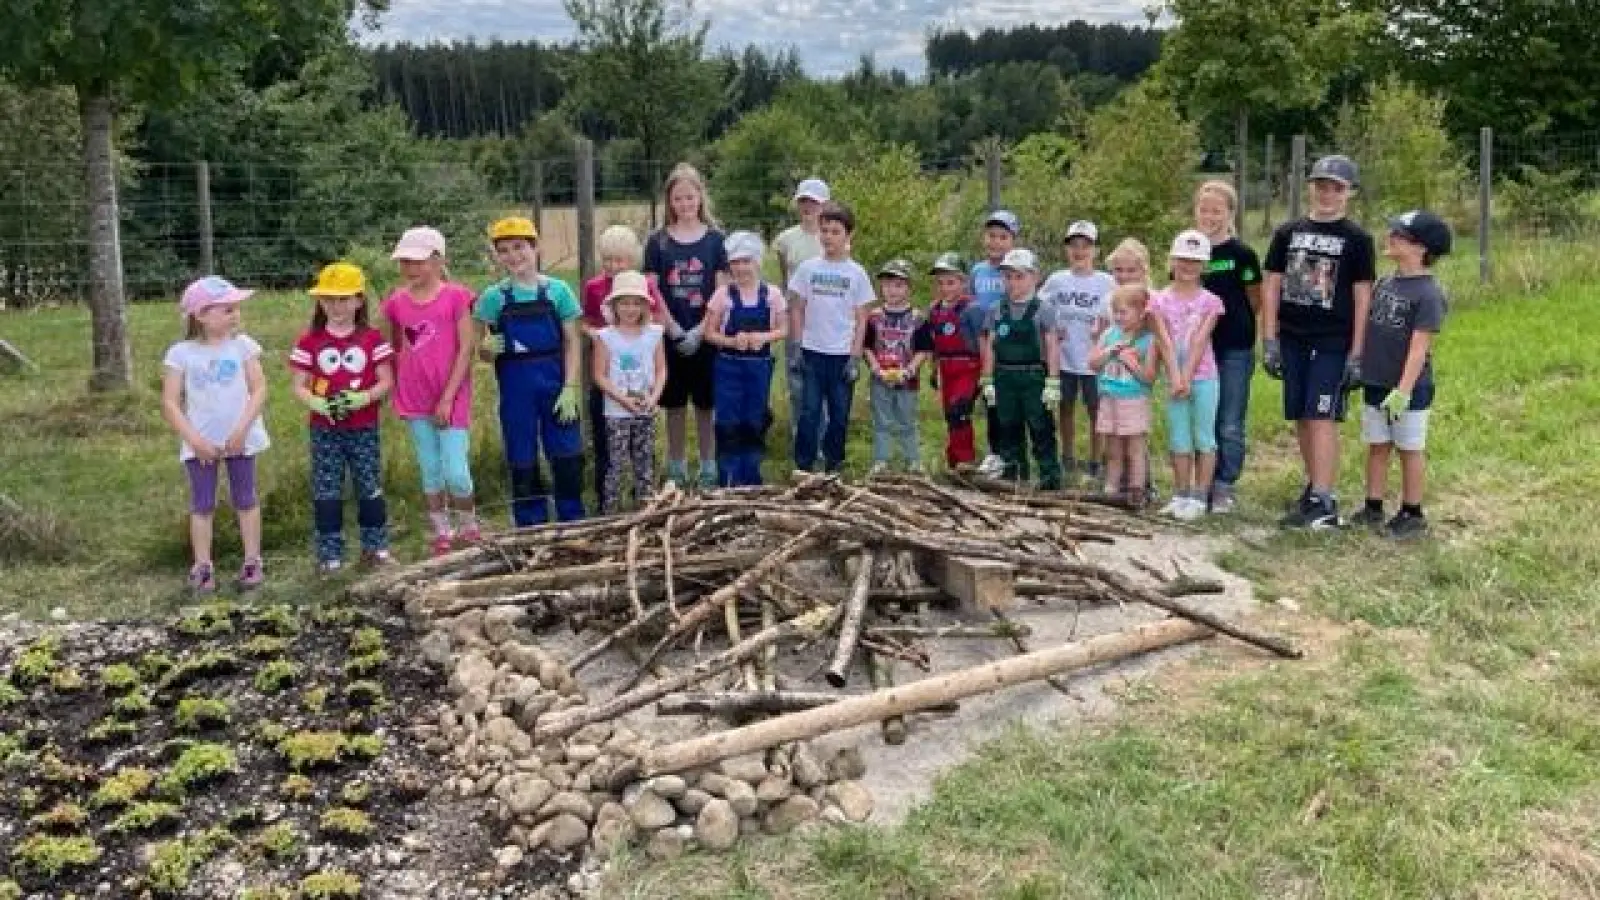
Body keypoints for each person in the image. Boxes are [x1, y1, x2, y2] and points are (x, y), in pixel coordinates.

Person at [1262, 154, 1377, 529]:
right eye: (1321, 186)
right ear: (1310, 187)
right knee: (1300, 415)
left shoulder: (1357, 239)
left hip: (1333, 339)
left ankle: (1325, 501)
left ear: (1349, 193)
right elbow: (1273, 284)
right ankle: (1313, 488)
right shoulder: (1287, 233)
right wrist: (1269, 338)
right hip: (1292, 336)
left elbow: (1363, 296)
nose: (1328, 194)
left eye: (1336, 188)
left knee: (1321, 415)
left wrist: (1357, 352)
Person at [160, 276, 270, 594]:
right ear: (201, 315)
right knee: (202, 503)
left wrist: (242, 429)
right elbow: (170, 402)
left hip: (241, 439)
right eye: (227, 309)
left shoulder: (244, 347)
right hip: (201, 442)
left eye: (235, 309)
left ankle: (252, 559)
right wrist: (194, 441)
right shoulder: (181, 354)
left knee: (246, 498)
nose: (235, 314)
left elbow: (259, 388)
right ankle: (203, 564)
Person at [475, 216, 585, 527]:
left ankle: (571, 517)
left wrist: (570, 387)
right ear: (496, 256)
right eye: (504, 250)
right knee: (521, 455)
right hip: (515, 391)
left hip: (555, 385)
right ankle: (529, 522)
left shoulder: (558, 291)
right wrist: (486, 348)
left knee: (567, 454)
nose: (513, 256)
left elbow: (572, 341)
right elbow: (481, 352)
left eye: (520, 247)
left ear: (535, 248)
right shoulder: (492, 298)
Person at [1351, 210, 1452, 539]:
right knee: (1377, 444)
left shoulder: (1428, 293)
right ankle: (1373, 506)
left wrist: (1404, 390)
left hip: (1408, 388)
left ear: (1421, 249)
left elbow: (1419, 347)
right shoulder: (1386, 282)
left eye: (1400, 236)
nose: (1390, 237)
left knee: (1409, 447)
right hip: (1376, 381)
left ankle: (1412, 512)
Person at [289, 262, 394, 574]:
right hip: (325, 429)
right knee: (326, 489)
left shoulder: (372, 339)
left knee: (369, 484)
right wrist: (318, 404)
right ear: (320, 302)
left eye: (344, 299)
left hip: (363, 426)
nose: (336, 306)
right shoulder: (310, 341)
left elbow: (386, 380)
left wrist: (365, 397)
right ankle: (329, 555)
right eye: (329, 299)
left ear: (359, 300)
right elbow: (297, 386)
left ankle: (375, 549)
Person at [381, 226, 480, 556]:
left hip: (450, 394)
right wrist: (391, 387)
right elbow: (395, 347)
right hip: (414, 397)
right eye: (405, 262)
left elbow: (467, 347)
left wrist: (449, 396)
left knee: (456, 469)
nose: (411, 268)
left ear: (439, 261)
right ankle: (442, 531)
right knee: (430, 468)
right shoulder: (396, 303)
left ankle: (469, 525)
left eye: (418, 261)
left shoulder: (456, 297)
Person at [644, 163, 729, 489]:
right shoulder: (658, 242)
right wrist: (674, 329)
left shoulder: (716, 241)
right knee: (675, 405)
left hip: (706, 334)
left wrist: (701, 329)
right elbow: (651, 290)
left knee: (706, 405)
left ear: (700, 198)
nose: (684, 204)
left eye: (689, 197)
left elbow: (722, 290)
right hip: (671, 335)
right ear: (669, 201)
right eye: (678, 199)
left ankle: (708, 465)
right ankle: (676, 465)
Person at [582, 224, 666, 502]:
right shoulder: (594, 287)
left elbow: (656, 323)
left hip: (642, 389)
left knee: (643, 452)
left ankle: (644, 499)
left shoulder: (645, 286)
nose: (612, 266)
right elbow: (585, 321)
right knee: (609, 450)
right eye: (607, 260)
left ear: (631, 259)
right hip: (610, 378)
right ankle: (606, 500)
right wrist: (597, 336)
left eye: (618, 260)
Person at [789, 202, 874, 474]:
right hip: (812, 353)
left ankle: (833, 465)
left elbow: (862, 319)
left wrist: (855, 356)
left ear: (848, 236)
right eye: (824, 230)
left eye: (835, 231)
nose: (828, 237)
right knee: (809, 412)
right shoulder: (808, 269)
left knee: (839, 415)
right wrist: (797, 346)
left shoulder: (856, 273)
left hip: (841, 356)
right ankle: (803, 465)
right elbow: (797, 308)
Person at [1194, 180, 1263, 513]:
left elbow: (1254, 298)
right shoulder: (1190, 252)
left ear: (1230, 213)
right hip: (1197, 348)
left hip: (1234, 346)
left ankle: (1225, 484)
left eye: (1216, 210)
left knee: (1230, 420)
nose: (1209, 216)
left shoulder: (1242, 255)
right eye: (1204, 209)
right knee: (1202, 416)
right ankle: (1200, 481)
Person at [1150, 231, 1225, 521]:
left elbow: (1199, 341)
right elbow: (1163, 340)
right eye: (1183, 259)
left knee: (1203, 437)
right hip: (1174, 376)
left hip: (1203, 376)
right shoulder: (1157, 300)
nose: (1188, 266)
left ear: (1204, 265)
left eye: (1195, 261)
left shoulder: (1211, 302)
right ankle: (1180, 493)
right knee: (1179, 437)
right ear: (1172, 260)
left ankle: (1199, 494)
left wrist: (1187, 375)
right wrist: (1175, 377)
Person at [703, 231, 788, 486]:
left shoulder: (771, 294)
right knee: (728, 423)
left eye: (746, 261)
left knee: (754, 421)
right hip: (728, 367)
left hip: (759, 368)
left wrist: (764, 337)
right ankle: (728, 479)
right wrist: (731, 341)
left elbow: (784, 329)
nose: (741, 268)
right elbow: (709, 333)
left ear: (757, 262)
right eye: (735, 262)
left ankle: (751, 478)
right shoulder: (723, 295)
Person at [978, 248, 1063, 490]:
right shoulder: (997, 309)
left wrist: (1053, 381)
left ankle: (1049, 477)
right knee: (1008, 426)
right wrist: (987, 379)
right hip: (1004, 376)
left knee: (1040, 427)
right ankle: (1015, 476)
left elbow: (1052, 345)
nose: (1013, 282)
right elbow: (991, 346)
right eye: (1008, 276)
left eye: (1019, 276)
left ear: (1034, 277)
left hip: (1033, 375)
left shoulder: (1043, 310)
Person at [1040, 220, 1114, 482]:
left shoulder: (1106, 282)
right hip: (1064, 358)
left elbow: (1121, 312)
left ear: (1095, 250)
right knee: (1066, 408)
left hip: (1095, 360)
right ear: (1067, 250)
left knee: (1097, 411)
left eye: (1085, 246)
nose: (1079, 251)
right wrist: (1051, 328)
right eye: (1074, 246)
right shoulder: (1058, 280)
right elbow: (1040, 307)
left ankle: (1096, 460)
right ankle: (1068, 456)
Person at [592, 271, 668, 513]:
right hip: (617, 412)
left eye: (636, 303)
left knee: (644, 463)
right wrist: (623, 400)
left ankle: (646, 510)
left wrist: (654, 398)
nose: (630, 309)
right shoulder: (606, 337)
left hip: (645, 408)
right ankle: (610, 513)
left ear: (645, 306)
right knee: (616, 465)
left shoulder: (654, 334)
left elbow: (661, 369)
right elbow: (599, 375)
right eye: (624, 303)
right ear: (614, 305)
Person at [1091, 285, 1160, 506]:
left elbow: (1149, 378)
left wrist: (1132, 364)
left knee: (1135, 448)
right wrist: (1109, 352)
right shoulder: (1109, 334)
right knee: (1113, 448)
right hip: (1109, 398)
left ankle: (1136, 490)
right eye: (1116, 312)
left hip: (1133, 400)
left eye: (1124, 312)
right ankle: (1110, 490)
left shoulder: (1149, 340)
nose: (1118, 317)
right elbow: (1092, 363)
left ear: (1141, 312)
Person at [776, 178, 831, 445]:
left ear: (825, 205)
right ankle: (802, 439)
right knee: (798, 381)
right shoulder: (786, 240)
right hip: (796, 319)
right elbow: (785, 279)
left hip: (826, 320)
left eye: (814, 202)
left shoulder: (832, 238)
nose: (808, 207)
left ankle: (826, 439)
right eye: (804, 201)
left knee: (825, 383)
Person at [865, 259, 931, 474]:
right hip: (880, 377)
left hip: (907, 379)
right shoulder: (874, 317)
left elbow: (923, 349)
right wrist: (875, 367)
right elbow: (866, 347)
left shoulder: (918, 318)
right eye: (887, 285)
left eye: (898, 285)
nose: (892, 290)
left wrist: (910, 369)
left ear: (909, 288)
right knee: (881, 421)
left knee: (906, 420)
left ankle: (912, 460)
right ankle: (881, 460)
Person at [971, 209, 1020, 477]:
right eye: (991, 236)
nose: (996, 242)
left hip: (1011, 347)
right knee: (991, 401)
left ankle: (1012, 453)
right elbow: (969, 304)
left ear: (1013, 240)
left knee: (1011, 403)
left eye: (1003, 237)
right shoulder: (978, 270)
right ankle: (993, 452)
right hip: (983, 345)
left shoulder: (1016, 271)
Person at [926, 253, 986, 468]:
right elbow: (934, 343)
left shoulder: (973, 309)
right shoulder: (934, 309)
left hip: (968, 366)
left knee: (959, 410)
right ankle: (953, 461)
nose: (945, 288)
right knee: (949, 415)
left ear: (963, 282)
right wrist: (933, 369)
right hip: (946, 366)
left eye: (951, 282)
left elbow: (983, 342)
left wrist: (986, 374)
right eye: (941, 283)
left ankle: (966, 459)